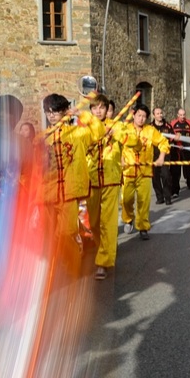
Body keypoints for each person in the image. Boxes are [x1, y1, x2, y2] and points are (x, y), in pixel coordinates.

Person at [42, 93, 95, 242]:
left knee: (67, 231)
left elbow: (98, 132)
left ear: (65, 111)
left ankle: (73, 247)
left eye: (55, 111)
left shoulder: (77, 134)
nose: (51, 115)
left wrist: (82, 115)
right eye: (48, 111)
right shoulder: (42, 137)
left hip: (69, 191)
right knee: (48, 232)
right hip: (48, 191)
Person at [86, 93, 126, 280]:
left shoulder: (117, 125)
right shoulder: (86, 129)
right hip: (92, 179)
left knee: (107, 221)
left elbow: (131, 141)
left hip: (111, 179)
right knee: (94, 222)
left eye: (102, 107)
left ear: (107, 109)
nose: (98, 111)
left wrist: (115, 133)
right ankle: (105, 246)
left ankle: (103, 262)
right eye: (94, 108)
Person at [121, 104, 169, 240]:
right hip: (128, 171)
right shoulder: (125, 129)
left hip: (145, 172)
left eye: (144, 116)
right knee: (126, 200)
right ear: (134, 115)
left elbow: (163, 142)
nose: (141, 119)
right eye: (139, 115)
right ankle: (128, 218)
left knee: (143, 201)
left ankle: (143, 227)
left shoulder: (150, 130)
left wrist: (161, 157)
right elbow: (117, 145)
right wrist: (121, 159)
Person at [150, 106, 174, 205]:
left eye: (161, 113)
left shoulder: (168, 126)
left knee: (166, 175)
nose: (160, 115)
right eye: (158, 113)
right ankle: (160, 197)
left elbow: (172, 138)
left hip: (165, 154)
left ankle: (168, 197)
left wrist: (176, 138)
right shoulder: (150, 127)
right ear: (154, 115)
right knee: (155, 177)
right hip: (153, 154)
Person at [171, 108, 190, 192]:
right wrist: (178, 144)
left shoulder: (189, 123)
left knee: (189, 167)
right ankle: (175, 189)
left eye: (184, 115)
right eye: (181, 115)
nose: (182, 117)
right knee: (176, 170)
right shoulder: (173, 123)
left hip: (188, 149)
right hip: (177, 149)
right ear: (178, 115)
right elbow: (171, 136)